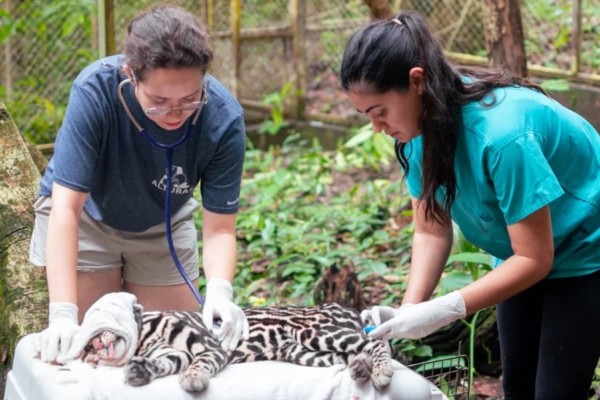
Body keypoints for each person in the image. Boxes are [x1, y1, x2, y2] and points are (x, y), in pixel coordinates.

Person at [340, 10, 600, 400]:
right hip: (519, 253)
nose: (376, 127)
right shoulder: (414, 132)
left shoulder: (503, 136)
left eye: (380, 112)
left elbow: (536, 258)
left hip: (586, 250)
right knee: (518, 385)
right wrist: (409, 312)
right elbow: (431, 228)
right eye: (366, 116)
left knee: (556, 391)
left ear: (416, 81)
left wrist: (446, 308)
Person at [31, 5, 249, 364]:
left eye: (189, 99)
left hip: (162, 222)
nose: (176, 114)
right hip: (86, 219)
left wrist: (220, 293)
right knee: (93, 348)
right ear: (130, 76)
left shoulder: (223, 119)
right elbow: (65, 209)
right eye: (160, 102)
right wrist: (63, 315)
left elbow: (220, 228)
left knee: (174, 343)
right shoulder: (94, 92)